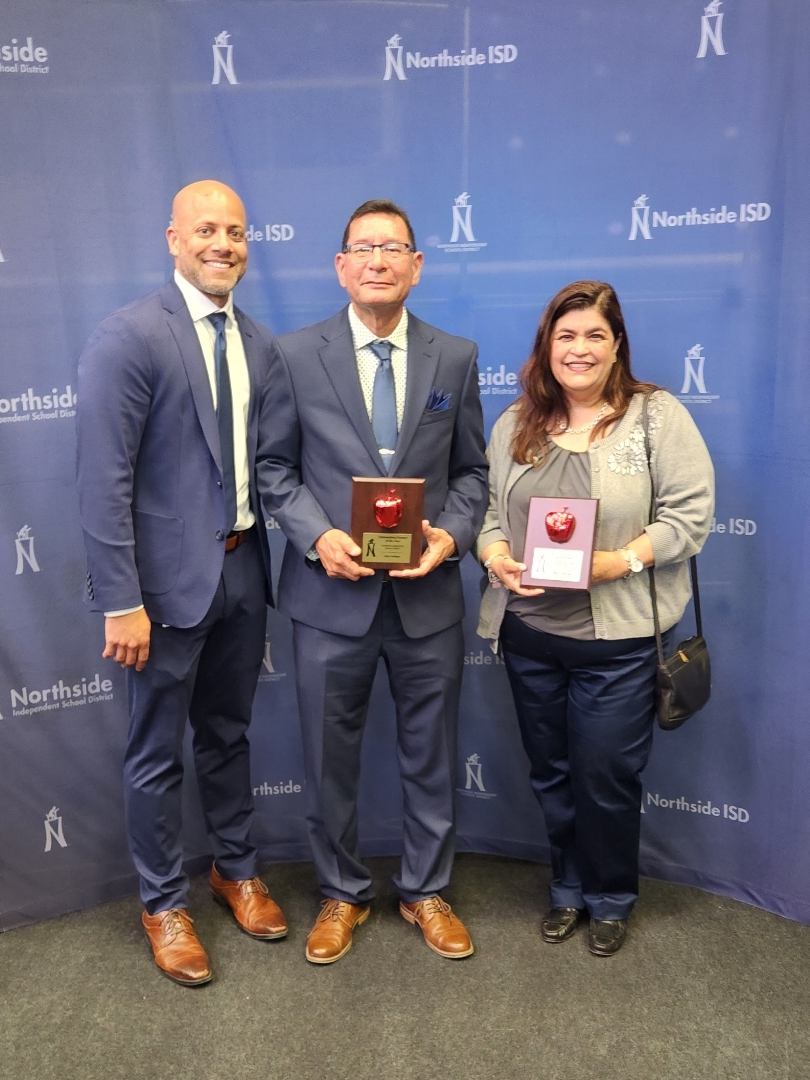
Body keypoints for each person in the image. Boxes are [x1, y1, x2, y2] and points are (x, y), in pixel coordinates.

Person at [257, 199, 488, 964]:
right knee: (329, 759)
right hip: (330, 598)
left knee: (433, 753)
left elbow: (472, 473)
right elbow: (273, 468)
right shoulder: (294, 355)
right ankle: (341, 892)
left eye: (393, 248)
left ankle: (426, 890)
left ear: (417, 266)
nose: (378, 260)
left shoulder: (455, 357)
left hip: (427, 597)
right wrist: (316, 535)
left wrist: (451, 535)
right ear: (340, 266)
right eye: (363, 248)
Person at [76, 181, 287, 986]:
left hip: (243, 571)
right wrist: (121, 600)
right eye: (206, 230)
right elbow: (103, 483)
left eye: (235, 231)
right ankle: (163, 903)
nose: (222, 244)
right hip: (160, 593)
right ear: (173, 239)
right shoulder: (129, 337)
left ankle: (236, 871)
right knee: (156, 752)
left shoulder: (259, 343)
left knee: (228, 735)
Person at [476, 280, 714, 956]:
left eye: (594, 336)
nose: (579, 349)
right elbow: (490, 517)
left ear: (616, 347)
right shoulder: (516, 421)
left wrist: (622, 562)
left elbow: (691, 517)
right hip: (531, 636)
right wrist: (495, 557)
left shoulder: (655, 416)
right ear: (547, 346)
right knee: (550, 772)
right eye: (566, 336)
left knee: (605, 776)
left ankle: (610, 896)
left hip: (619, 644)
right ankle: (567, 888)